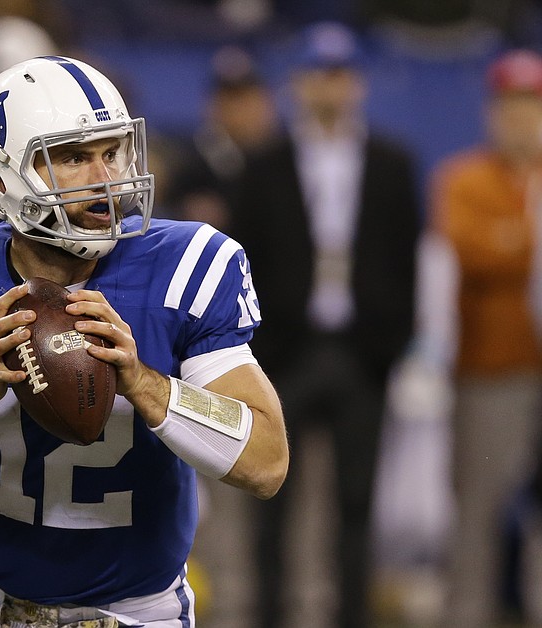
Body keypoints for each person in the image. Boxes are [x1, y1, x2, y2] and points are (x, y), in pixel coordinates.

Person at [0, 55, 289, 627]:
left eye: (112, 151)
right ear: (0, 178)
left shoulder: (189, 266)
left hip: (143, 614)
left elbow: (267, 462)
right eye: (73, 157)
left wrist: (144, 383)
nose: (106, 177)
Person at [237, 23, 420, 628]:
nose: (328, 87)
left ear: (358, 84)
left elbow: (407, 261)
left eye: (339, 74)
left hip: (359, 350)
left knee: (356, 501)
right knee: (272, 495)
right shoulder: (265, 167)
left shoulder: (392, 165)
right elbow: (247, 260)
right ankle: (270, 613)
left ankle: (350, 616)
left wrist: (388, 346)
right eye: (318, 74)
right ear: (297, 84)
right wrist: (260, 347)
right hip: (288, 351)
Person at [428, 48, 542, 627]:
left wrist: (511, 244)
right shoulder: (465, 178)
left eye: (532, 105)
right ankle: (465, 614)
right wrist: (524, 244)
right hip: (488, 367)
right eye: (511, 105)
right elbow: (469, 252)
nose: (521, 118)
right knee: (477, 507)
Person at [171, 45, 279, 233]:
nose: (239, 110)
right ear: (212, 104)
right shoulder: (192, 161)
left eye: (246, 98)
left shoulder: (283, 158)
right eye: (229, 99)